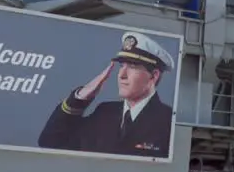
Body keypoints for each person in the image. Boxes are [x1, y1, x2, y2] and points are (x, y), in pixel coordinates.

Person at [38, 30, 175, 157]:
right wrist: (79, 98)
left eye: (132, 66)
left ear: (154, 76)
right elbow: (50, 142)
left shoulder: (169, 121)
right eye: (122, 66)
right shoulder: (104, 112)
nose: (122, 75)